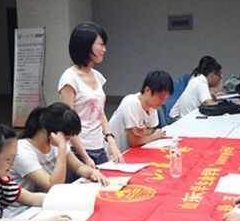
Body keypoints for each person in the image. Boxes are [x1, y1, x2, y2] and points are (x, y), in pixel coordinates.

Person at [58, 22, 123, 169]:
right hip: (78, 151)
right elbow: (67, 122)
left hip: (98, 147)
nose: (104, 49)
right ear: (86, 45)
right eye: (100, 44)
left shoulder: (97, 76)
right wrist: (86, 157)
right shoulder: (69, 78)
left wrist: (110, 139)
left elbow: (100, 112)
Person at [10, 103, 109, 192]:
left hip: (47, 201)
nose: (68, 139)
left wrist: (92, 172)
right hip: (25, 206)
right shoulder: (22, 151)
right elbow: (53, 186)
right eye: (66, 136)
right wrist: (62, 148)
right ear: (51, 132)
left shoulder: (55, 144)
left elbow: (78, 167)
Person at [108, 70, 173, 152]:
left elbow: (151, 130)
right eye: (160, 98)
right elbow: (134, 142)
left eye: (165, 99)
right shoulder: (132, 103)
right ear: (147, 90)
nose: (163, 102)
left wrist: (146, 133)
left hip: (129, 151)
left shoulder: (152, 106)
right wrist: (155, 136)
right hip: (114, 153)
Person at [169, 56, 228, 120]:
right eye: (219, 76)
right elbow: (209, 103)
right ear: (212, 75)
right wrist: (227, 105)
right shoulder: (201, 82)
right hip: (178, 119)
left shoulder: (200, 79)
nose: (219, 79)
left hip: (184, 116)